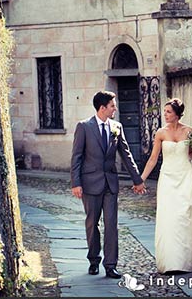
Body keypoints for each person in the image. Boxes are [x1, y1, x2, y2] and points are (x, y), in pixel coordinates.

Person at [70, 90, 146, 278]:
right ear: (102, 108)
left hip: (111, 184)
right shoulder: (84, 127)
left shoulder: (117, 127)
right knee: (92, 223)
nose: (115, 108)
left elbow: (126, 155)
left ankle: (110, 265)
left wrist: (138, 180)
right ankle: (94, 260)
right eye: (112, 105)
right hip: (90, 183)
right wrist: (76, 183)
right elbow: (76, 157)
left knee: (111, 224)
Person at [140, 98, 192, 273]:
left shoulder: (189, 132)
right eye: (165, 111)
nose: (165, 115)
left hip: (185, 177)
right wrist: (141, 179)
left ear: (177, 114)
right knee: (169, 218)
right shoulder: (160, 133)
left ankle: (186, 260)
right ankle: (170, 261)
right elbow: (153, 159)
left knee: (185, 217)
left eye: (169, 112)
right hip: (167, 179)